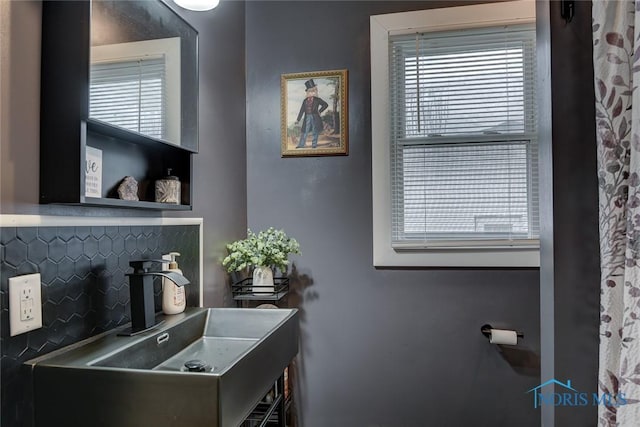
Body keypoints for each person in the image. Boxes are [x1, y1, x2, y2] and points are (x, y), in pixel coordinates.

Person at [295, 79, 329, 148]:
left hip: (315, 117)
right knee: (304, 131)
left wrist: (320, 111)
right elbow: (301, 111)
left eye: (313, 91)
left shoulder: (317, 99)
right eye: (310, 91)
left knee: (315, 131)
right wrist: (298, 120)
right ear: (307, 92)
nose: (312, 92)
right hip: (307, 117)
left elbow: (325, 104)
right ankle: (301, 145)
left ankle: (314, 145)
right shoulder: (304, 101)